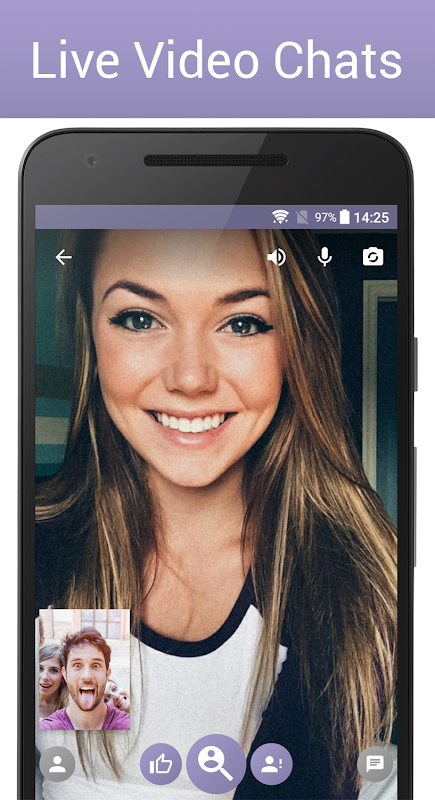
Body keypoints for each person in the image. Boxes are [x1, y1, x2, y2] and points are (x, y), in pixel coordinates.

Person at [36, 229, 396, 797]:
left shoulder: (364, 584)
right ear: (91, 334)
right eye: (139, 319)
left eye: (243, 323)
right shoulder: (31, 550)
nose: (190, 379)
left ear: (297, 345)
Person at [39, 627, 130, 730]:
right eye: (77, 665)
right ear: (65, 675)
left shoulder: (129, 725)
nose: (87, 676)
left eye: (96, 665)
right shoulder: (46, 728)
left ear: (107, 674)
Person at [39, 645, 68, 720]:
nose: (44, 677)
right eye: (40, 668)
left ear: (63, 676)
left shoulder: (70, 707)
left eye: (53, 670)